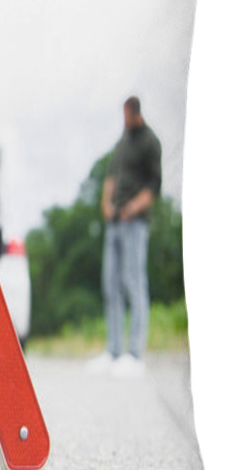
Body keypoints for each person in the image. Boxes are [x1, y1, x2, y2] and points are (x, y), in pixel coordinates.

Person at [88, 96, 161, 378]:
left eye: (125, 115)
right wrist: (106, 204)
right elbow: (111, 176)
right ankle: (114, 351)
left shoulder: (149, 142)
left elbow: (154, 184)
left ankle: (135, 354)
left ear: (134, 112)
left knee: (134, 282)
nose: (124, 120)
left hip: (134, 222)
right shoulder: (124, 142)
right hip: (115, 222)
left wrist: (133, 207)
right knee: (111, 285)